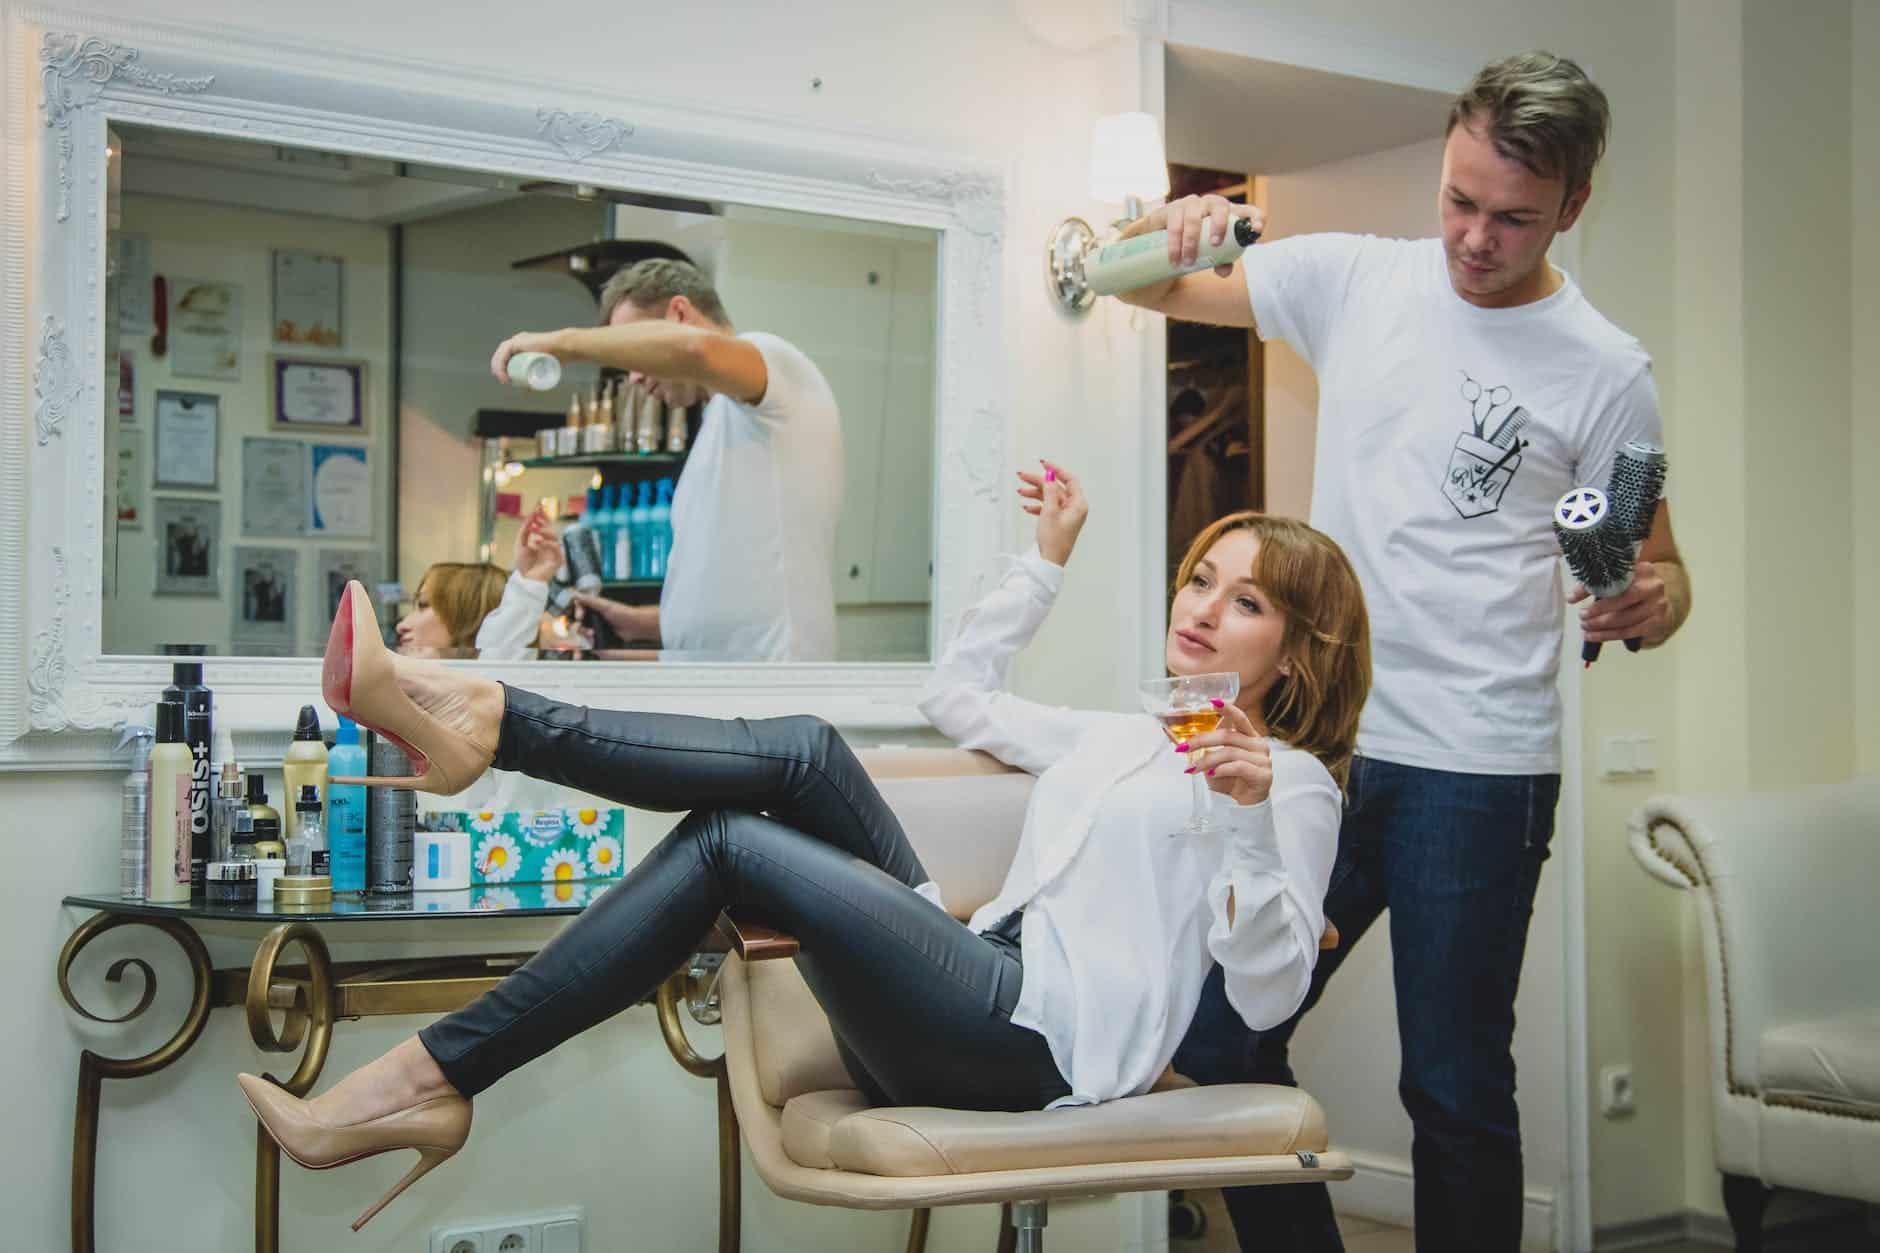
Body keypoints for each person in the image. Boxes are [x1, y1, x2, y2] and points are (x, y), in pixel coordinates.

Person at [237, 461, 1368, 1234]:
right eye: (1200, 577)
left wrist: (1245, 810)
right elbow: (956, 695)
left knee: (730, 844)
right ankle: (488, 722)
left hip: (1038, 1049)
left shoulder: (1296, 783)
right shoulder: (1122, 734)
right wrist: (1045, 559)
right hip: (976, 976)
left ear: (1297, 648)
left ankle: (425, 1065)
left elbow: (1267, 998)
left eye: (1247, 601)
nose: (1203, 607)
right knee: (808, 752)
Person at [1116, 52, 1694, 1251]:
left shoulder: (1606, 372)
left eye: (1512, 218)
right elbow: (1153, 286)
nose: (1474, 239)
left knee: (1452, 1083)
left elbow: (1651, 562)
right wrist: (1168, 230)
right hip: (1320, 747)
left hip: (1476, 766)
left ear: (1573, 205)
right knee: (1217, 1038)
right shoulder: (1352, 280)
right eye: (1458, 200)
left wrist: (1648, 600)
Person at [490, 258, 844, 662]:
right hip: (720, 678)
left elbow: (697, 349)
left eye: (632, 349)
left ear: (679, 314)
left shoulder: (775, 361)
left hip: (774, 677)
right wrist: (640, 625)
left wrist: (563, 344)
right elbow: (733, 599)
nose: (634, 377)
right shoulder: (719, 424)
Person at [396, 507, 564, 659]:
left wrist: (529, 584)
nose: (401, 626)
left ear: (471, 621)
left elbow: (498, 657)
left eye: (423, 605)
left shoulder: (491, 673)